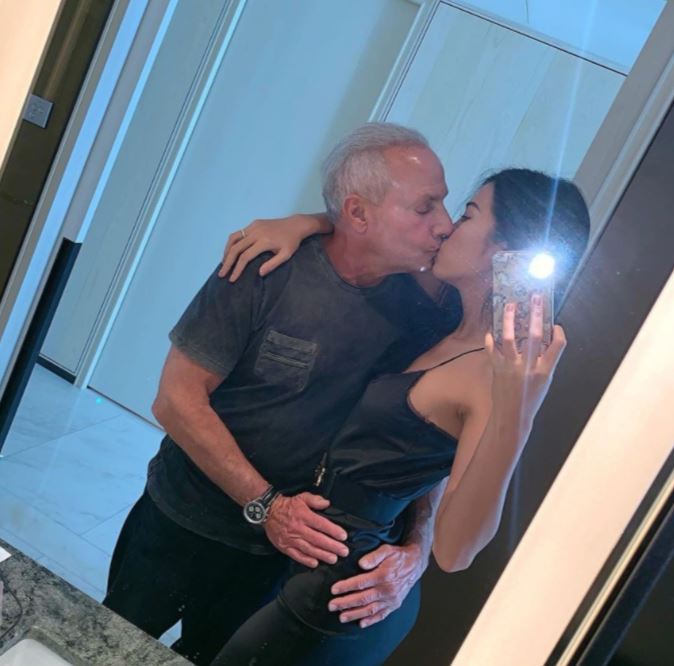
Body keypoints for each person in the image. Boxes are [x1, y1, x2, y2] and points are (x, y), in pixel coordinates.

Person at [103, 123, 463, 665]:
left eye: (446, 204)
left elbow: (424, 446)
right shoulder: (267, 267)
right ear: (358, 213)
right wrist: (267, 505)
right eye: (424, 207)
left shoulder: (427, 314)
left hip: (284, 555)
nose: (445, 224)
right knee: (108, 645)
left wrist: (419, 542)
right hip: (184, 519)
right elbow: (176, 400)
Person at [210, 168, 590, 665]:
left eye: (468, 214)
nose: (447, 227)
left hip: (343, 590)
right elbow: (368, 231)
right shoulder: (442, 313)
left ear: (505, 251)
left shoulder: (491, 375)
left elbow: (455, 552)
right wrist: (302, 223)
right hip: (314, 555)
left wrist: (520, 408)